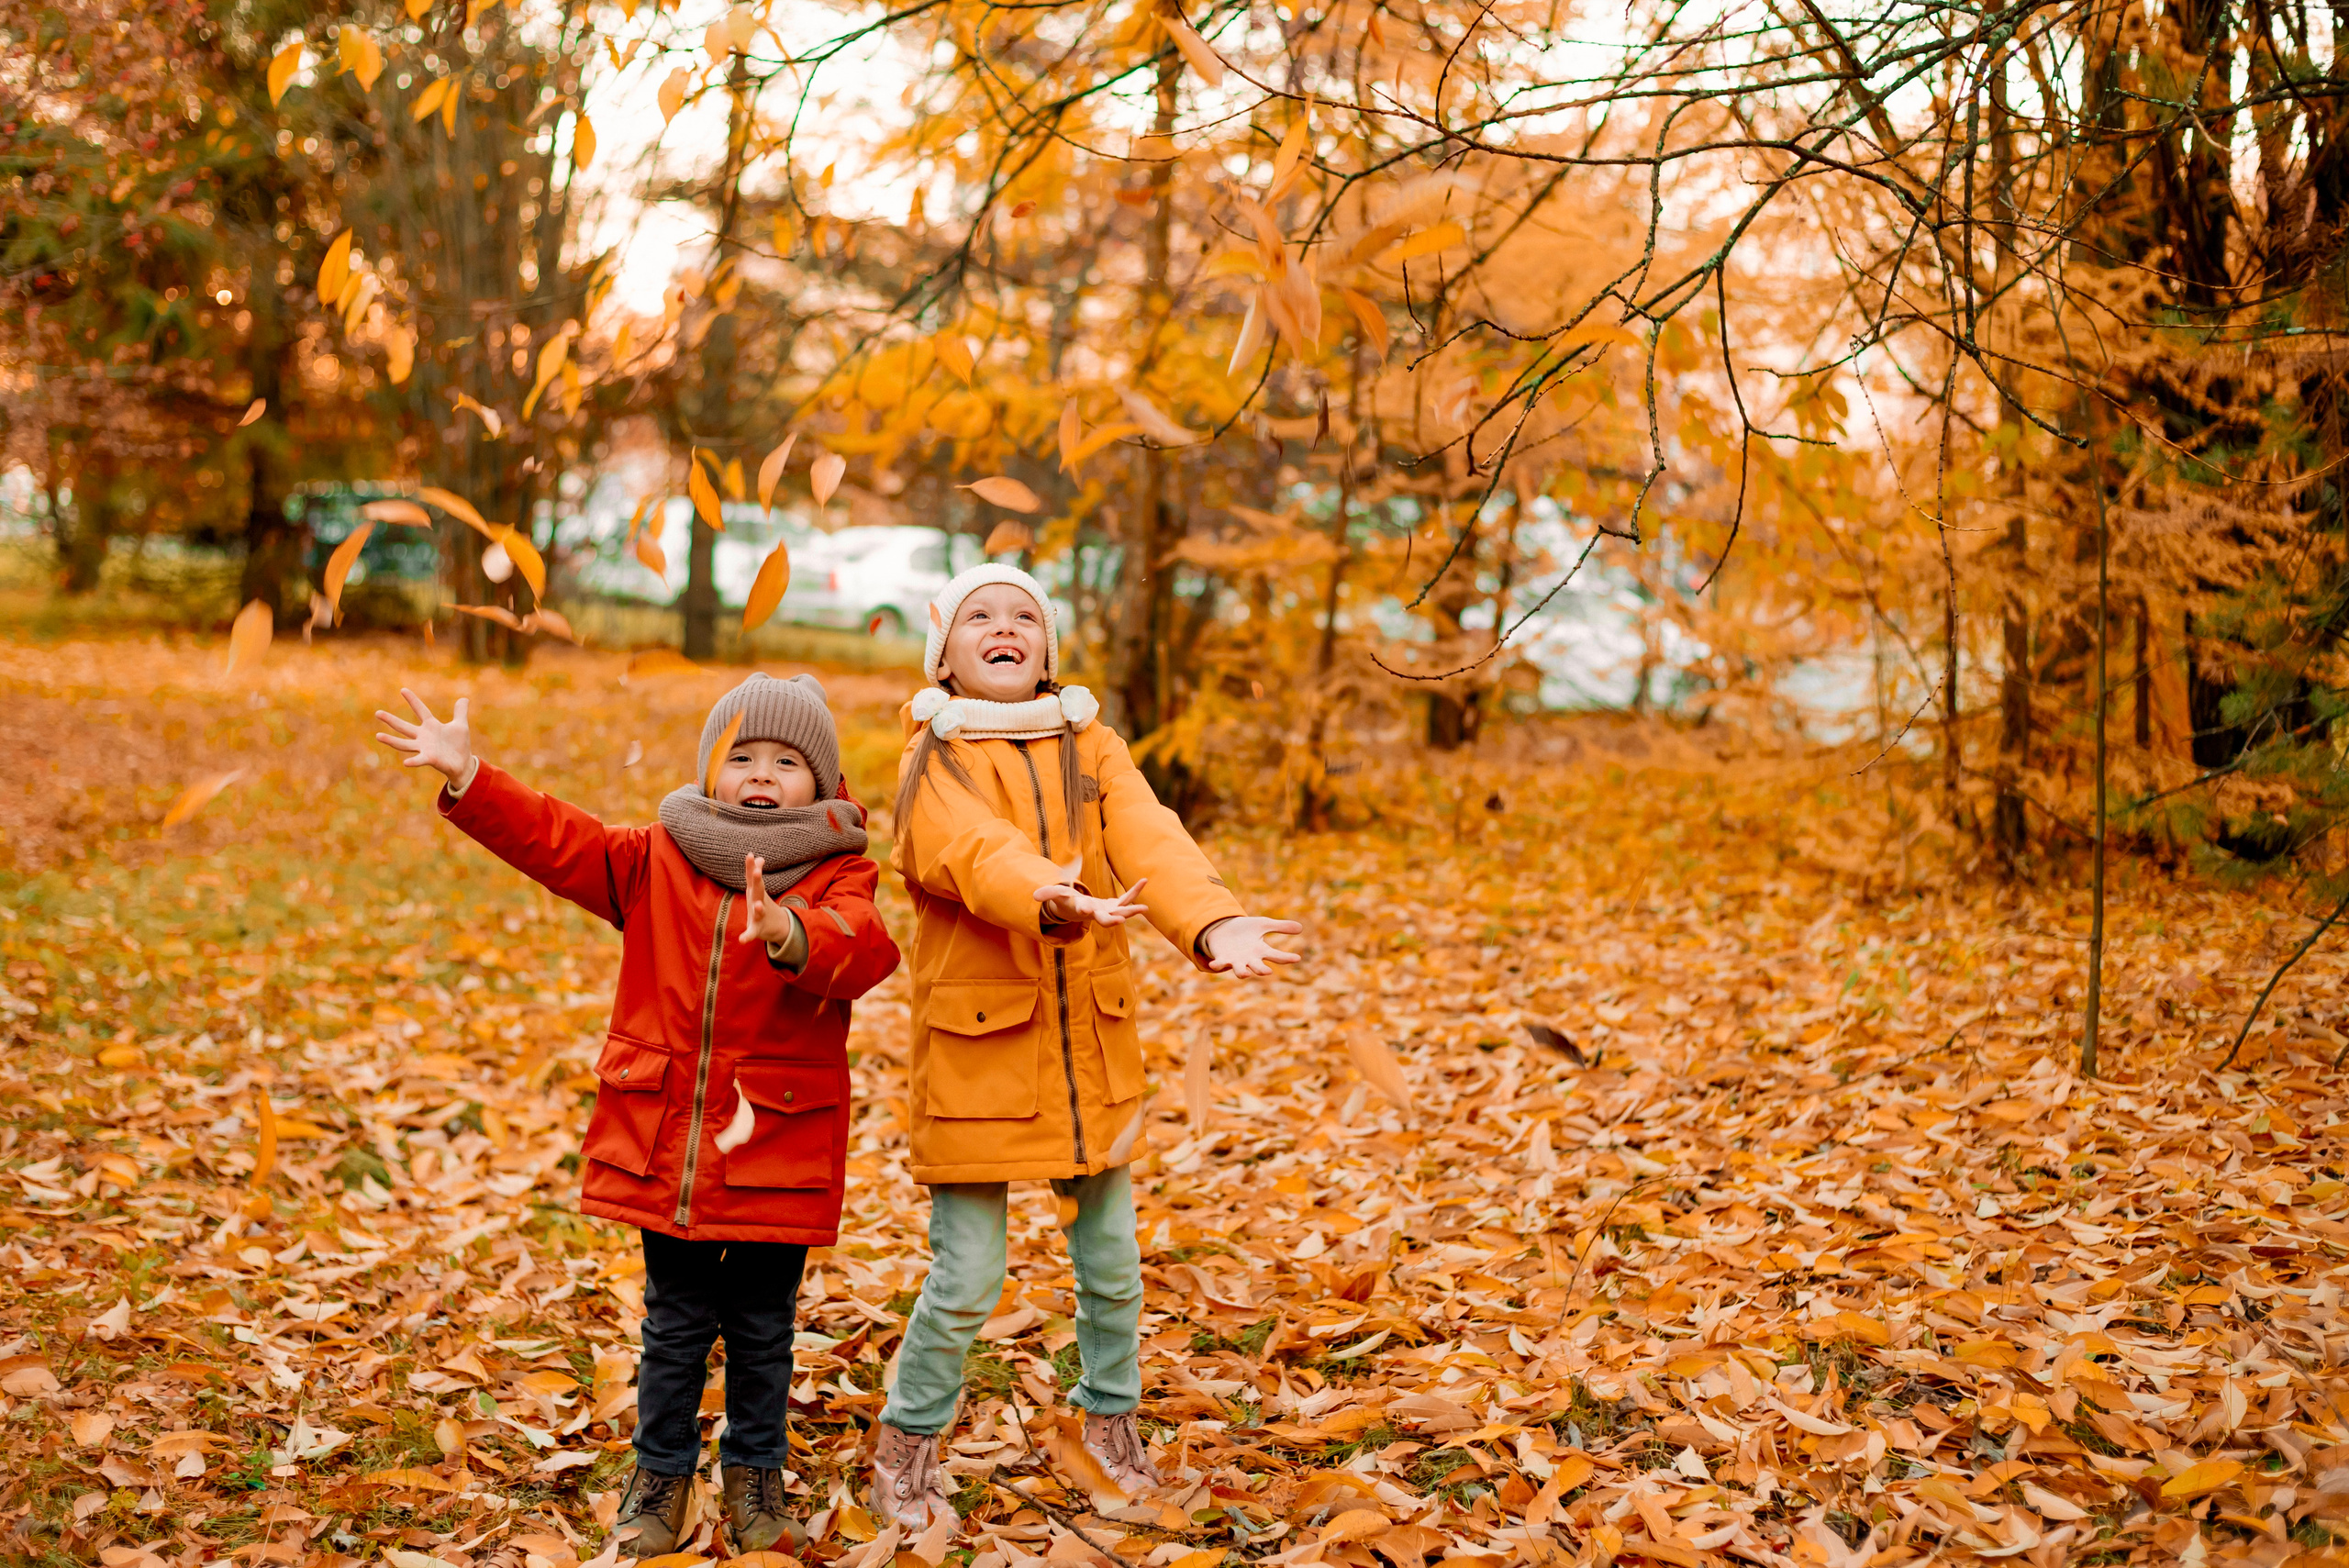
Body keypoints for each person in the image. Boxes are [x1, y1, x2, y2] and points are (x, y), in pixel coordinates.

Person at [374, 673, 901, 1558]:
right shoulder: (659, 853)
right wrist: (471, 777)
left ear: (822, 780)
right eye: (741, 756)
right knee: (674, 1324)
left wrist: (791, 933)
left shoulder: (838, 868)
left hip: (775, 1143)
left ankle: (755, 1474)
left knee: (763, 1329)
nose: (761, 774)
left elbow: (866, 947)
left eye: (786, 762)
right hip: (666, 1144)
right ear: (710, 768)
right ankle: (660, 1474)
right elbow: (560, 840)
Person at [868, 565, 1301, 1531]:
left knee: (1112, 1266)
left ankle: (1107, 1422)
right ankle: (907, 1440)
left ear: (1048, 648)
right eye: (980, 615)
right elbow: (968, 849)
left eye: (1025, 614)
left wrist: (1210, 919)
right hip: (981, 1055)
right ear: (944, 656)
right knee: (968, 1276)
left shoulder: (1090, 743)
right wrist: (1049, 892)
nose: (1005, 626)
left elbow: (1149, 835)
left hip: (1089, 1055)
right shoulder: (933, 756)